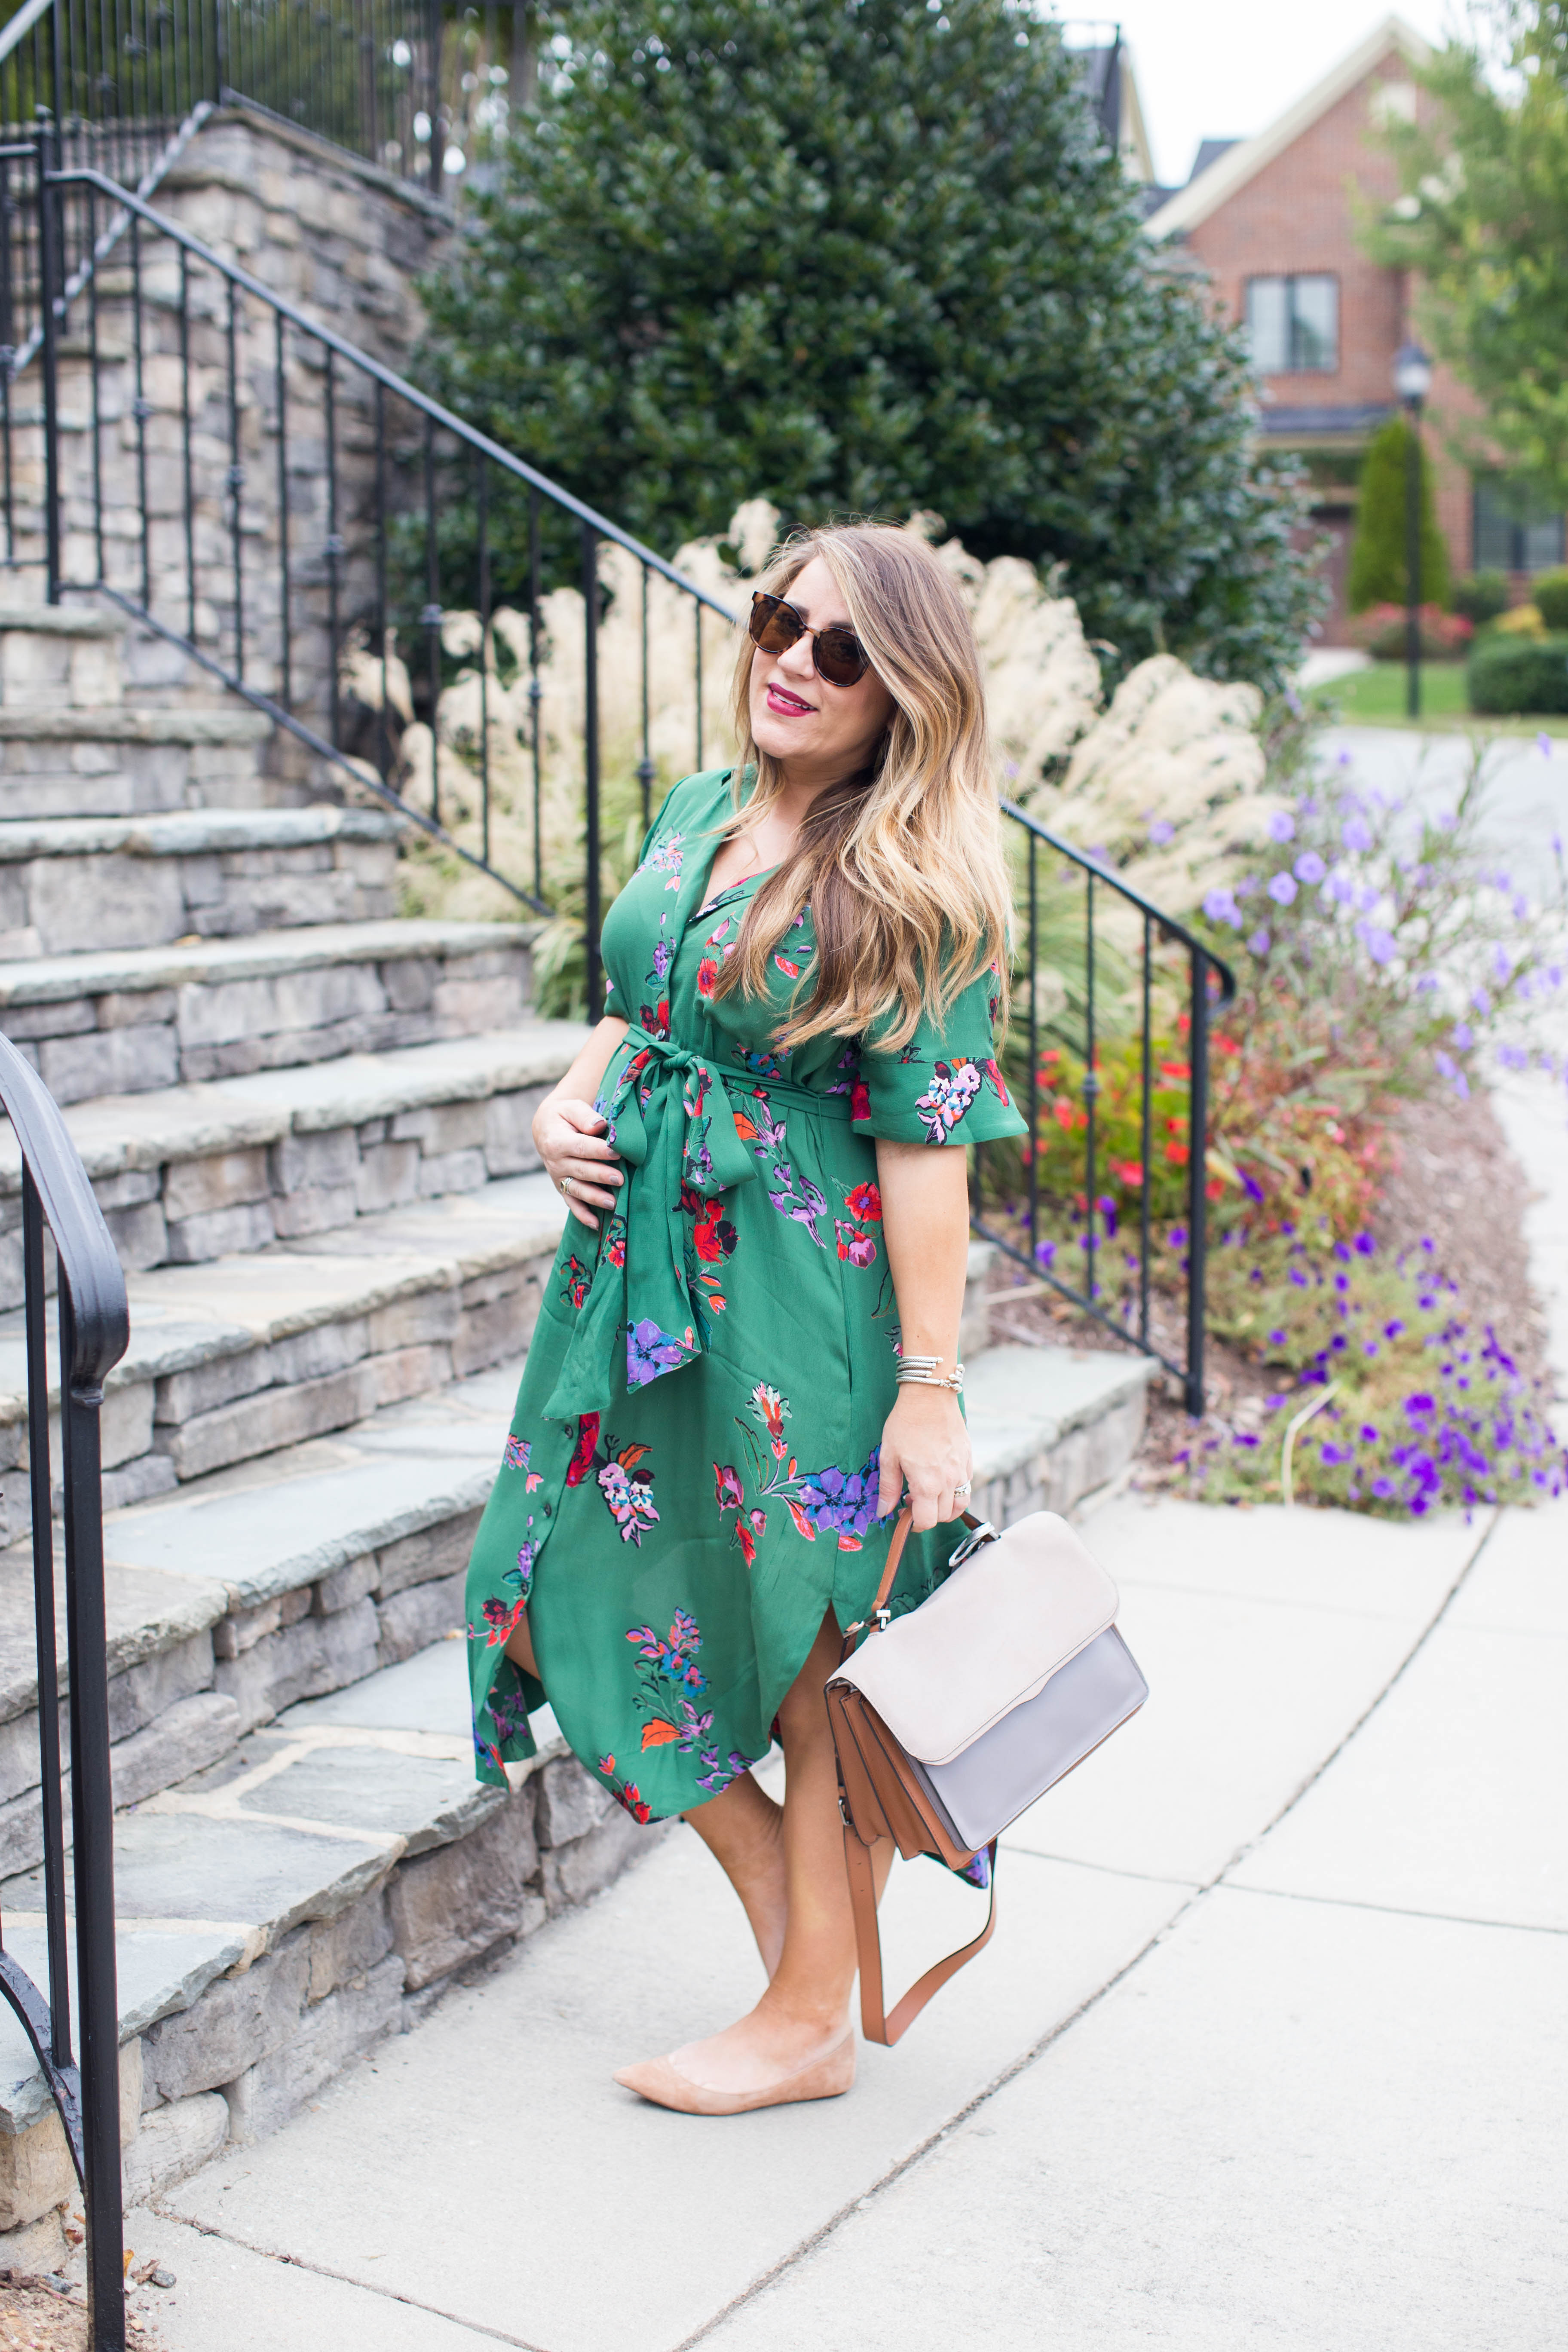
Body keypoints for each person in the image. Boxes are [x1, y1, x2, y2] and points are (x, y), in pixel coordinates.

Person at [464, 519, 1024, 2115]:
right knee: (547, 1588)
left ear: (904, 690)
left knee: (803, 1658)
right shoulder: (704, 809)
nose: (792, 658)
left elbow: (929, 1152)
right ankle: (811, 1950)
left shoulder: (914, 880)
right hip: (631, 1289)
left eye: (843, 649)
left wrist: (932, 1387)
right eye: (782, 619)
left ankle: (800, 2016)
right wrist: (566, 1104)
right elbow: (641, 1005)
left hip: (796, 1298)